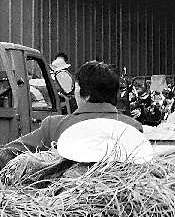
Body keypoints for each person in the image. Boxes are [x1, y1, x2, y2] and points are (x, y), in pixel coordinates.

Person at [0, 61, 142, 169]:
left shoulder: (54, 126)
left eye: (76, 86)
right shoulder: (133, 127)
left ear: (84, 93)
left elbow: (7, 154)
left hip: (59, 198)